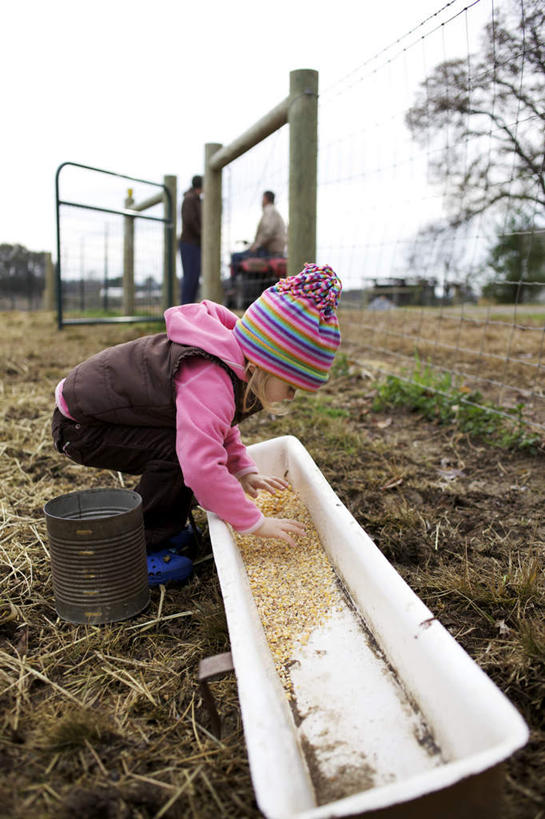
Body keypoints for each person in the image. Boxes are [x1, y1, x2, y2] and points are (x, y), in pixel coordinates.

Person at [51, 263, 342, 586]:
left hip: (96, 416)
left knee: (189, 446)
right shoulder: (211, 377)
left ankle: (164, 528)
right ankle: (135, 550)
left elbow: (219, 426)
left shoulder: (228, 358)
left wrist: (243, 469)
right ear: (266, 364)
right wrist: (254, 523)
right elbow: (201, 466)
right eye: (291, 384)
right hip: (82, 428)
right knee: (184, 455)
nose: (291, 395)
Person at [230, 191, 286, 278]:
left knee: (236, 257)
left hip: (268, 251)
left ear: (266, 199)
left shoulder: (269, 211)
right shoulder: (274, 212)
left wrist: (256, 245)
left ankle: (233, 285)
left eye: (262, 199)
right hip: (273, 249)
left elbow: (268, 232)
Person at [179, 175, 202, 304]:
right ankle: (185, 309)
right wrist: (202, 234)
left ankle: (189, 307)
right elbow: (189, 220)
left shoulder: (195, 199)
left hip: (194, 243)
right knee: (190, 278)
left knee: (193, 279)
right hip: (190, 243)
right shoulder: (190, 199)